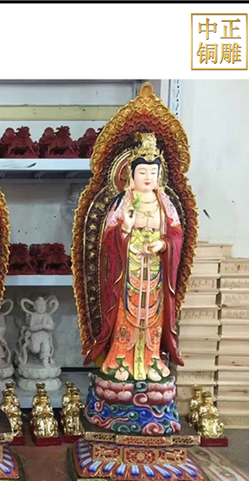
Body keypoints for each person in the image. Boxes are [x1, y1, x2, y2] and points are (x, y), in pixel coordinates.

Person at [89, 133, 183, 382]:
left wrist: (164, 243)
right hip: (128, 268)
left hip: (156, 268)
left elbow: (177, 234)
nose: (148, 177)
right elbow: (107, 236)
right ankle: (120, 358)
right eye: (142, 172)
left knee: (153, 314)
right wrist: (125, 229)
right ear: (131, 176)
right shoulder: (123, 202)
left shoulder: (165, 203)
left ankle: (152, 359)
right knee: (126, 312)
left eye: (153, 172)